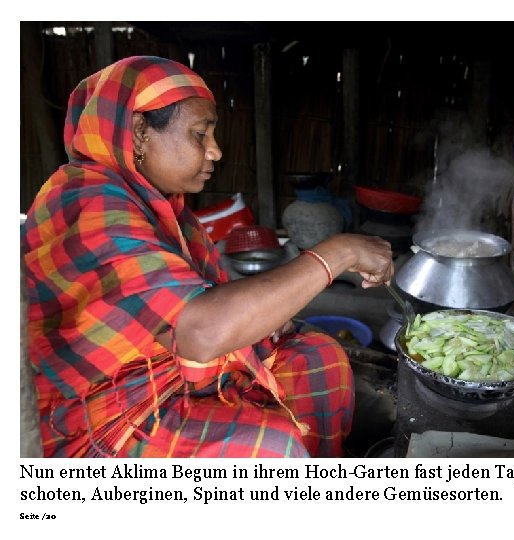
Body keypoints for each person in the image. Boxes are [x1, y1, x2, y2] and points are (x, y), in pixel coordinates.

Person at [21, 55, 393, 458]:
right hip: (102, 408)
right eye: (201, 134)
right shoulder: (89, 201)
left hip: (165, 370)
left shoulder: (161, 206)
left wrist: (268, 314)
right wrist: (336, 252)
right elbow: (198, 332)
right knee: (270, 448)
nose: (215, 152)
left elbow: (194, 299)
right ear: (140, 131)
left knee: (317, 358)